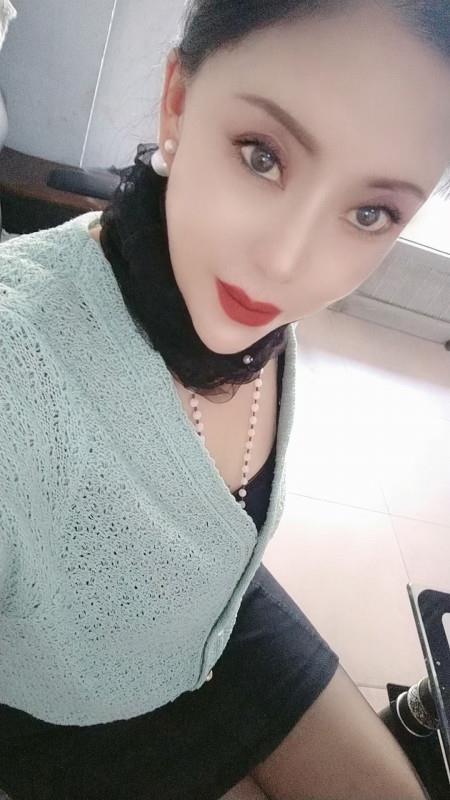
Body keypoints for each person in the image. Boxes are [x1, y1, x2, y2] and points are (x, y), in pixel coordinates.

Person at [0, 1, 449, 798]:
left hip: (219, 612)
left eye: (369, 212)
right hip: (62, 712)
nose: (287, 261)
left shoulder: (233, 298)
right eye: (262, 156)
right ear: (177, 103)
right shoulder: (19, 365)